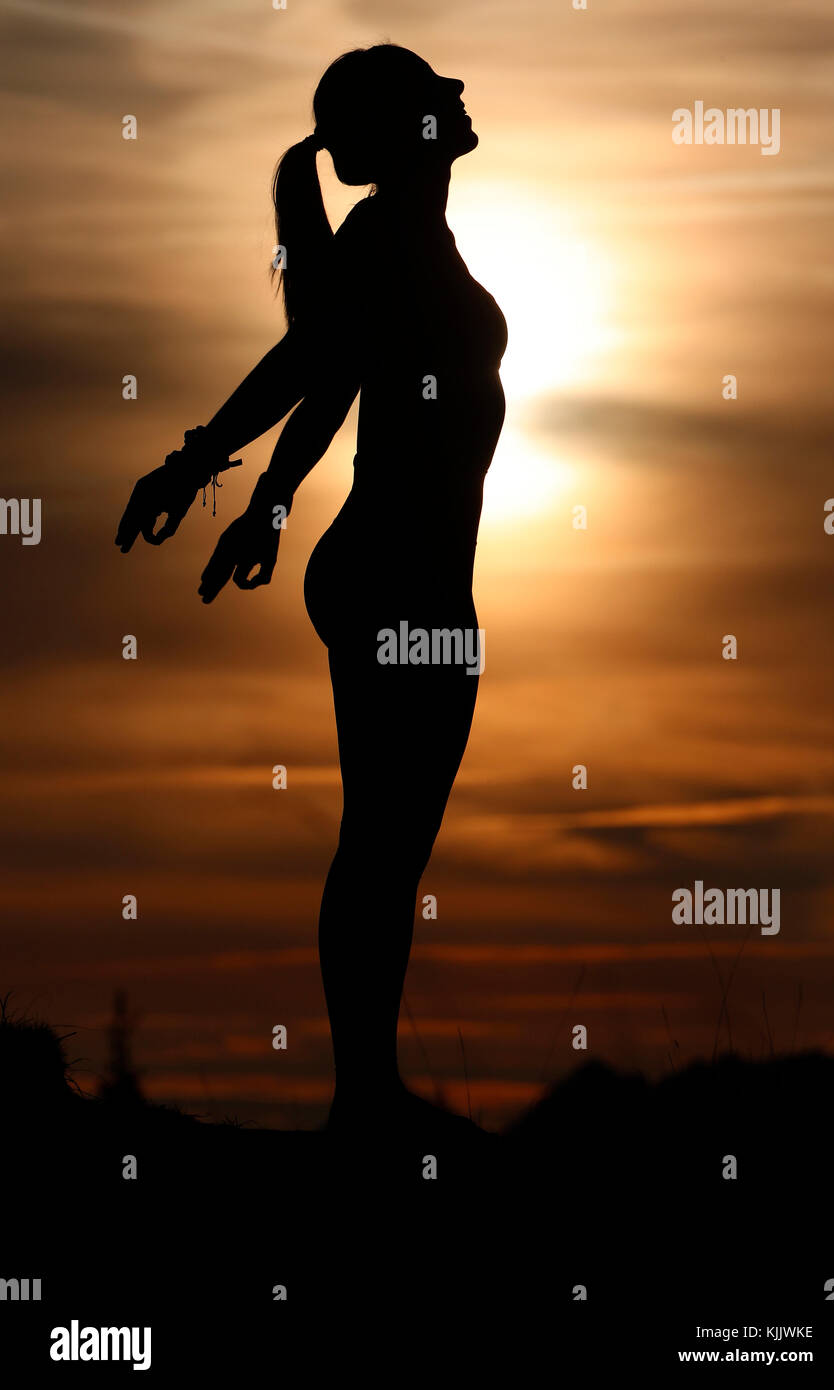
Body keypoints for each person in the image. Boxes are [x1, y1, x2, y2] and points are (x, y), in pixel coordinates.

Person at [116, 44, 508, 1135]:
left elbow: (330, 384)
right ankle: (364, 1098)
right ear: (405, 126)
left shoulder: (414, 236)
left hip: (426, 587)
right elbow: (304, 367)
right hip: (393, 579)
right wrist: (204, 467)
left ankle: (368, 1090)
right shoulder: (388, 235)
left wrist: (269, 504)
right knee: (380, 840)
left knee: (393, 845)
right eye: (434, 90)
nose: (460, 94)